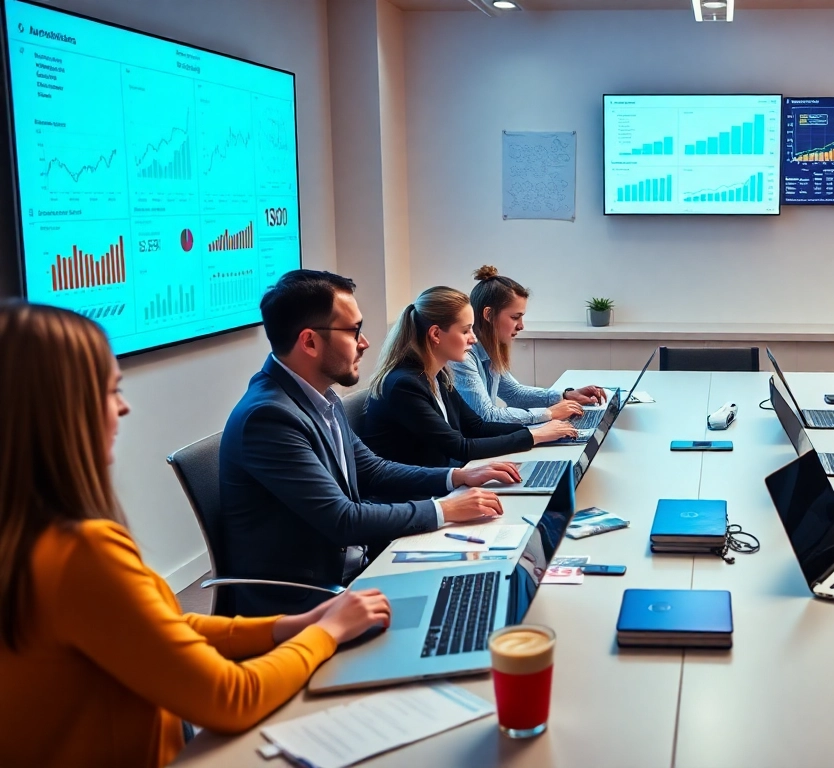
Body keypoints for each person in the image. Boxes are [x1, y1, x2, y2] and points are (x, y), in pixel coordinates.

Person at [0, 301, 393, 767]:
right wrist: (327, 632)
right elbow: (230, 698)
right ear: (61, 412)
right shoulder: (79, 551)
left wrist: (291, 626)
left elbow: (159, 630)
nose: (123, 408)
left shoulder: (25, 541)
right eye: (110, 391)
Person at [220, 270, 512, 618]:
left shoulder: (319, 397)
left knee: (485, 584)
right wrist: (445, 509)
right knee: (463, 614)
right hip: (308, 602)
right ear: (309, 342)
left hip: (356, 569)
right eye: (353, 331)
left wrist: (456, 478)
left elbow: (372, 468)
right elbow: (341, 518)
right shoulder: (268, 418)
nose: (365, 342)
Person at [362, 286, 579, 469]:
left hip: (441, 484)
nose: (473, 339)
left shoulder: (437, 376)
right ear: (436, 334)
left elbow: (476, 426)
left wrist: (539, 431)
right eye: (466, 331)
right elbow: (460, 447)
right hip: (414, 499)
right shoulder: (405, 385)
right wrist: (535, 436)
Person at [451, 265, 607, 424]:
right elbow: (485, 416)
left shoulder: (490, 349)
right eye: (514, 317)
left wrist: (565, 396)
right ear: (489, 315)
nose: (521, 326)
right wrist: (548, 413)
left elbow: (513, 393)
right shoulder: (463, 357)